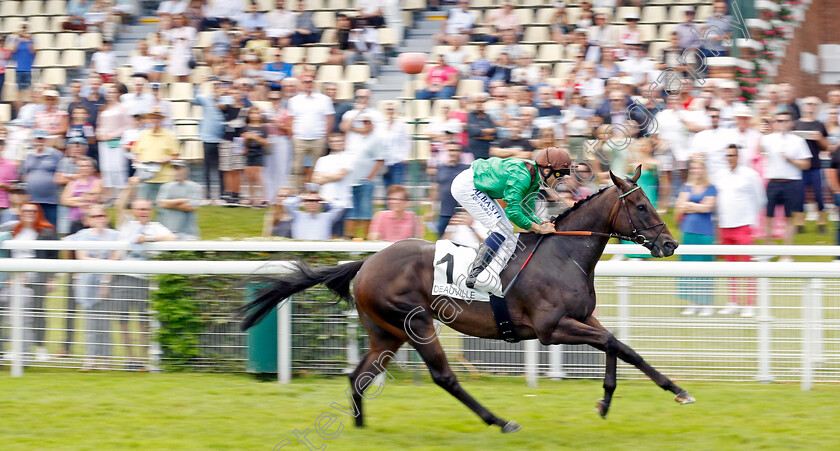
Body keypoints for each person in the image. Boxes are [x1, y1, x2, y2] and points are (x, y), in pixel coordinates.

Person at [450, 147, 571, 294]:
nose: (561, 180)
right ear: (546, 170)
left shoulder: (533, 179)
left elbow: (526, 210)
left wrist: (540, 223)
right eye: (560, 175)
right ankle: (476, 276)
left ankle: (494, 275)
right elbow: (513, 212)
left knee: (510, 234)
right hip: (468, 186)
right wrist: (538, 228)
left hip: (476, 186)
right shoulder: (523, 176)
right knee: (502, 228)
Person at [115, 181, 176, 369]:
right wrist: (130, 187)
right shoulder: (127, 225)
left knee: (143, 322)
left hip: (144, 280)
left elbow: (172, 238)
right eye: (140, 209)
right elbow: (118, 205)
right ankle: (130, 358)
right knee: (123, 322)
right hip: (124, 278)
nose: (143, 212)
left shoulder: (156, 227)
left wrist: (148, 239)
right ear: (134, 211)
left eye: (146, 209)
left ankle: (141, 360)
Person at [715, 144, 766, 316]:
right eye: (727, 155)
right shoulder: (720, 176)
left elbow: (760, 200)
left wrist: (752, 221)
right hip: (725, 226)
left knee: (746, 266)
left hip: (743, 226)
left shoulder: (750, 175)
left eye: (732, 155)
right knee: (730, 267)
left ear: (738, 156)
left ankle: (750, 303)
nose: (730, 158)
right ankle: (733, 301)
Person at [69, 205, 120, 370]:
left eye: (102, 215)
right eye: (95, 216)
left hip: (106, 280)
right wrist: (104, 263)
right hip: (87, 282)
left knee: (104, 321)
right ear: (89, 220)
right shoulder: (82, 236)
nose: (99, 218)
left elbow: (115, 259)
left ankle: (106, 359)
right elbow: (82, 257)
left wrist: (105, 281)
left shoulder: (115, 236)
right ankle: (90, 358)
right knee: (90, 321)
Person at [760, 110, 811, 260]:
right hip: (773, 182)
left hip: (791, 182)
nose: (781, 123)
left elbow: (806, 164)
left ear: (791, 123)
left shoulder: (798, 141)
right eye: (778, 121)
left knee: (790, 218)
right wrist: (762, 130)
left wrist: (791, 160)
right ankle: (767, 250)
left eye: (784, 121)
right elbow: (758, 150)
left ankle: (786, 254)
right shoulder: (768, 139)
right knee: (769, 217)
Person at [11, 203, 58, 362]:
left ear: (38, 213)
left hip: (38, 278)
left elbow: (53, 257)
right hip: (15, 278)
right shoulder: (13, 231)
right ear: (20, 213)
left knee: (37, 312)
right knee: (14, 313)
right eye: (26, 211)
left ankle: (40, 348)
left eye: (33, 211)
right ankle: (16, 347)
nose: (29, 213)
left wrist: (51, 278)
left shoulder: (47, 231)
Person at [674, 159, 717, 316]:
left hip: (705, 233)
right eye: (693, 168)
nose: (695, 171)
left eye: (698, 168)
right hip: (688, 232)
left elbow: (708, 207)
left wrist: (690, 205)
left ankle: (706, 303)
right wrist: (696, 206)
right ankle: (693, 302)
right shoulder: (686, 187)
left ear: (704, 169)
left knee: (704, 267)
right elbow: (680, 206)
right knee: (689, 266)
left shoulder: (711, 188)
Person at [287, 71, 335, 191]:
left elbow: (329, 118)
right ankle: (297, 193)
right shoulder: (294, 100)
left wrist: (325, 136)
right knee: (297, 168)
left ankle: (315, 193)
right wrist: (292, 135)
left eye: (310, 81)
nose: (308, 84)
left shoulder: (324, 99)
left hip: (318, 138)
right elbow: (291, 119)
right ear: (301, 83)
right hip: (299, 138)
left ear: (314, 83)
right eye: (305, 82)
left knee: (317, 168)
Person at [792, 97, 829, 234]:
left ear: (817, 107)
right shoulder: (796, 124)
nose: (810, 106)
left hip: (815, 166)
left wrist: (820, 138)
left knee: (819, 196)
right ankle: (799, 224)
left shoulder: (820, 124)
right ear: (803, 106)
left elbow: (826, 147)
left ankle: (821, 223)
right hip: (800, 166)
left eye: (813, 104)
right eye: (808, 104)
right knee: (799, 197)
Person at [345, 114, 384, 239]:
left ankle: (365, 240)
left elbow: (380, 159)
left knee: (365, 212)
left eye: (368, 121)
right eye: (363, 121)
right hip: (350, 180)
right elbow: (346, 126)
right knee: (351, 213)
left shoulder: (376, 139)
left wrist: (370, 177)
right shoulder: (353, 138)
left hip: (365, 181)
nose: (365, 124)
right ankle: (350, 239)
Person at [131, 108, 180, 202]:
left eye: (158, 118)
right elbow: (136, 153)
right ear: (149, 120)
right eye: (153, 118)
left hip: (164, 177)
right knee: (143, 204)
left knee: (163, 206)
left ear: (161, 120)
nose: (155, 120)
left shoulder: (169, 135)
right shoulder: (143, 134)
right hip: (146, 177)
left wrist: (165, 159)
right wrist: (139, 162)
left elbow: (176, 155)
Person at [312, 133, 352, 238]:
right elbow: (315, 179)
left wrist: (323, 175)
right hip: (326, 200)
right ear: (329, 143)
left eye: (339, 141)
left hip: (342, 201)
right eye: (333, 141)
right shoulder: (322, 160)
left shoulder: (348, 157)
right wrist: (333, 175)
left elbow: (340, 176)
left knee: (340, 233)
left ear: (343, 142)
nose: (336, 144)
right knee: (327, 232)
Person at [97, 85, 132, 200]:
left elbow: (127, 126)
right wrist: (100, 134)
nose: (110, 94)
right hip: (103, 142)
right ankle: (109, 196)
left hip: (117, 141)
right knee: (106, 168)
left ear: (118, 94)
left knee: (117, 168)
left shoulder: (123, 108)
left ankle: (120, 197)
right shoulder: (104, 108)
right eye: (109, 92)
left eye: (113, 92)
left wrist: (111, 135)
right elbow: (100, 125)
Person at [22, 130, 63, 226]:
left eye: (41, 139)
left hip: (50, 200)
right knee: (32, 226)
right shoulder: (27, 154)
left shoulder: (55, 154)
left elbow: (61, 171)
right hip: (31, 200)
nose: (39, 141)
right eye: (37, 139)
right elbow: (22, 173)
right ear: (33, 140)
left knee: (50, 227)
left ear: (46, 140)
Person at [156, 160, 201, 239]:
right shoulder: (166, 186)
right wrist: (182, 200)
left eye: (178, 169)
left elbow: (190, 207)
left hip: (187, 233)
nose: (175, 172)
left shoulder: (194, 186)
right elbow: (162, 204)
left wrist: (169, 204)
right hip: (166, 233)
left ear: (186, 170)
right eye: (174, 169)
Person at [435, 142, 470, 237]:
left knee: (461, 242)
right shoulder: (441, 168)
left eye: (456, 150)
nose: (453, 153)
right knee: (440, 243)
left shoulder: (467, 169)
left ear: (460, 152)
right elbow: (436, 188)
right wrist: (432, 207)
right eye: (451, 150)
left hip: (460, 214)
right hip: (444, 213)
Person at [60, 155, 102, 226]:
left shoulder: (98, 182)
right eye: (81, 166)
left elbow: (94, 198)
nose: (84, 168)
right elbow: (64, 201)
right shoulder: (72, 183)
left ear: (92, 168)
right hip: (74, 218)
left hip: (92, 218)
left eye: (87, 166)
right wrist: (85, 200)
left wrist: (73, 199)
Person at [241, 107, 269, 207]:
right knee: (250, 176)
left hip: (259, 152)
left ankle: (264, 197)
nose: (254, 115)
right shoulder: (246, 127)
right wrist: (245, 140)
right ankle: (251, 197)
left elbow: (266, 142)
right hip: (249, 152)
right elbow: (241, 142)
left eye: (256, 113)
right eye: (252, 113)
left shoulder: (263, 128)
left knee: (259, 176)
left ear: (260, 115)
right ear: (249, 115)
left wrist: (254, 137)